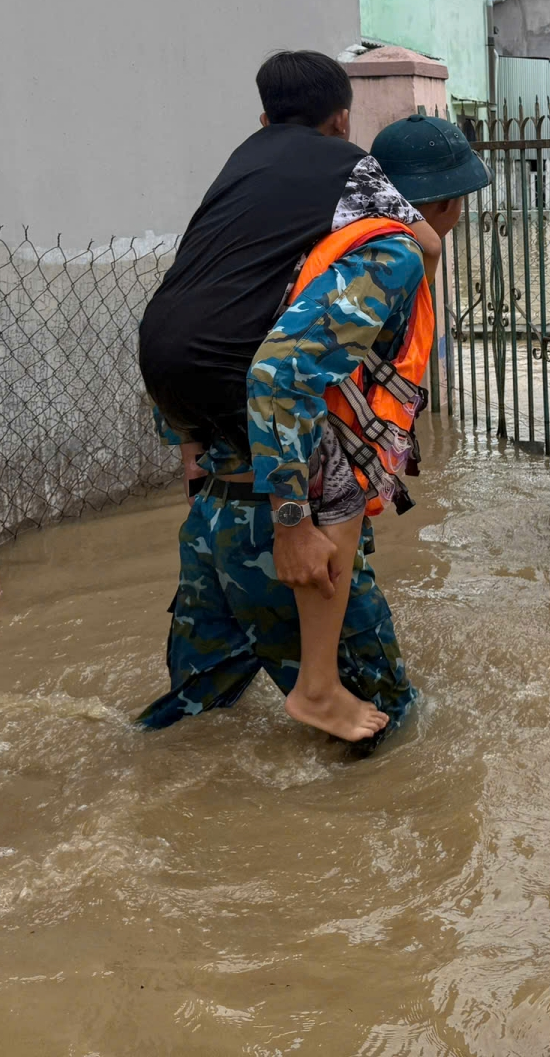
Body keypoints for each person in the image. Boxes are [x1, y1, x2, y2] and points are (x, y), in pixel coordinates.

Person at [134, 49, 486, 745]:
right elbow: (279, 377)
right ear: (448, 205)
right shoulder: (383, 254)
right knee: (386, 735)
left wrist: (192, 451)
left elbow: (192, 322)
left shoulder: (258, 216)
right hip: (286, 531)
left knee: (191, 724)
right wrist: (293, 526)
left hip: (212, 515)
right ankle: (320, 687)